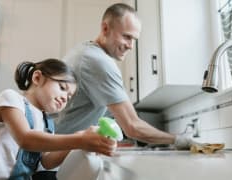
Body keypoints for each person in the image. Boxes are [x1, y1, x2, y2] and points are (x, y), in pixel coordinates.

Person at [55, 3, 196, 150]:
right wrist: (178, 139)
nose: (131, 46)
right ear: (105, 28)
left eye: (134, 39)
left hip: (55, 155)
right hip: (53, 162)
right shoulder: (98, 62)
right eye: (127, 37)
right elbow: (132, 126)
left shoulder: (86, 52)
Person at [0, 59, 116, 179]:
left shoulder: (47, 123)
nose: (65, 97)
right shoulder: (11, 99)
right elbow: (25, 139)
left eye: (69, 97)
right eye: (62, 87)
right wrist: (80, 139)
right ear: (37, 78)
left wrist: (77, 140)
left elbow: (46, 161)